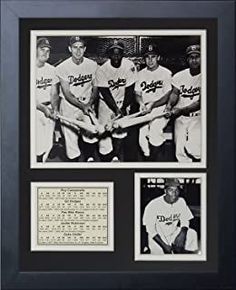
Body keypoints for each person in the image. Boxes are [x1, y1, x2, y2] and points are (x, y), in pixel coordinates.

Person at [55, 36, 98, 162]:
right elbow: (67, 93)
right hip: (69, 105)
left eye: (80, 47)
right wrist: (83, 106)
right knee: (71, 138)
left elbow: (95, 87)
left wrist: (90, 103)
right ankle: (74, 166)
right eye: (75, 47)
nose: (78, 51)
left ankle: (89, 158)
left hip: (87, 102)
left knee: (91, 132)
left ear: (85, 49)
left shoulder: (92, 64)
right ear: (70, 49)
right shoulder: (63, 67)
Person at [95, 40, 137, 162]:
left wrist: (123, 108)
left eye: (119, 53)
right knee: (104, 135)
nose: (116, 56)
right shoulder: (102, 70)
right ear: (109, 54)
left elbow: (130, 89)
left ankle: (115, 156)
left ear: (123, 54)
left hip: (123, 102)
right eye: (113, 53)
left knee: (120, 132)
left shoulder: (129, 65)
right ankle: (106, 160)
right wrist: (116, 109)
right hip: (106, 105)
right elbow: (105, 93)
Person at [135, 44, 172, 161]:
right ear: (144, 59)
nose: (150, 60)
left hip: (160, 109)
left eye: (153, 57)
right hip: (146, 109)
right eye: (147, 57)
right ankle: (149, 160)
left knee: (154, 134)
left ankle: (155, 164)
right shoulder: (140, 74)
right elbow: (137, 93)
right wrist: (141, 103)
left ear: (158, 58)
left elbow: (168, 95)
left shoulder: (166, 73)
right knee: (142, 139)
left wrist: (153, 104)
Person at [143, 178, 198, 254]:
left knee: (192, 233)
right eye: (171, 190)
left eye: (176, 190)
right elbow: (150, 230)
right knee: (161, 257)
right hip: (158, 236)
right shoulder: (153, 205)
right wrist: (164, 246)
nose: (174, 193)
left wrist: (182, 234)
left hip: (173, 232)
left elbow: (185, 219)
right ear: (165, 191)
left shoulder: (181, 201)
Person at [165, 44, 201, 162]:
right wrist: (169, 105)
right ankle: (184, 179)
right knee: (180, 152)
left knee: (194, 149)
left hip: (198, 117)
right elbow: (175, 93)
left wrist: (180, 110)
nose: (194, 60)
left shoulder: (208, 75)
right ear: (187, 60)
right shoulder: (180, 76)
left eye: (197, 56)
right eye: (191, 57)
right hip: (180, 118)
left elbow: (200, 102)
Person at [35, 37, 59, 162]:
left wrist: (55, 108)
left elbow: (54, 93)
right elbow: (28, 95)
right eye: (42, 49)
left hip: (49, 109)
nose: (45, 52)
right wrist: (43, 108)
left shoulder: (52, 70)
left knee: (47, 146)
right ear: (34, 50)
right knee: (38, 147)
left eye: (48, 50)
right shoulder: (27, 68)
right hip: (34, 110)